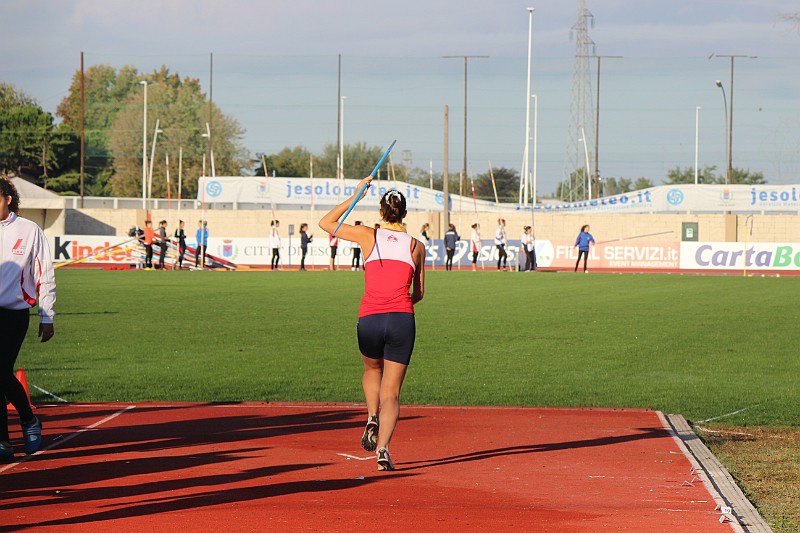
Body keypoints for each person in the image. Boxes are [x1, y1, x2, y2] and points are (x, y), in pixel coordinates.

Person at [319, 177, 425, 472]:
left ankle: (371, 416)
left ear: (381, 212)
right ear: (404, 214)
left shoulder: (368, 236)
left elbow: (326, 223)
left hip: (370, 317)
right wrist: (400, 307)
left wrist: (355, 195)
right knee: (391, 392)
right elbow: (419, 293)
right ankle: (383, 450)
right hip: (402, 319)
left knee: (371, 369)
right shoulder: (417, 246)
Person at [0, 176, 54, 461]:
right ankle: (3, 442)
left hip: (15, 313)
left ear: (8, 198)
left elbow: (45, 272)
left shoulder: (29, 230)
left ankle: (28, 419)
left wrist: (47, 314)